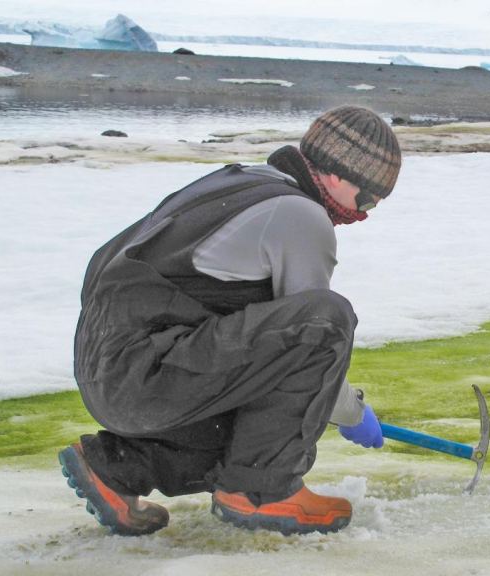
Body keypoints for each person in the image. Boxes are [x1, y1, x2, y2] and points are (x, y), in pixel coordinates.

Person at [58, 105, 401, 536]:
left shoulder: (241, 181)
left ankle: (117, 468)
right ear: (337, 174)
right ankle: (262, 491)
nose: (365, 213)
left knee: (250, 425)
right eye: (368, 198)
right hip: (147, 371)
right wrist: (352, 411)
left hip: (112, 369)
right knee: (329, 319)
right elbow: (312, 338)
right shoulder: (300, 215)